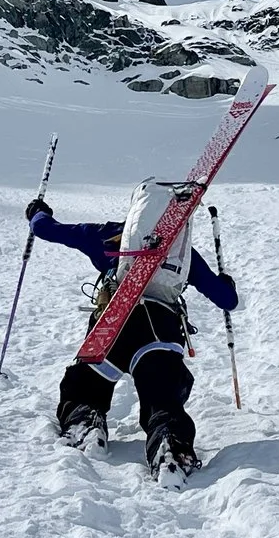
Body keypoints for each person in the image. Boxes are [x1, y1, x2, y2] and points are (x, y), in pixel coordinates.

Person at [24, 182, 240, 474]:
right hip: (160, 331)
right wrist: (226, 283)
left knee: (86, 386)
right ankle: (170, 443)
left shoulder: (108, 235)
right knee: (162, 397)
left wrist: (38, 212)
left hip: (113, 327)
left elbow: (45, 229)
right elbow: (227, 300)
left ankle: (84, 422)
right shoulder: (181, 253)